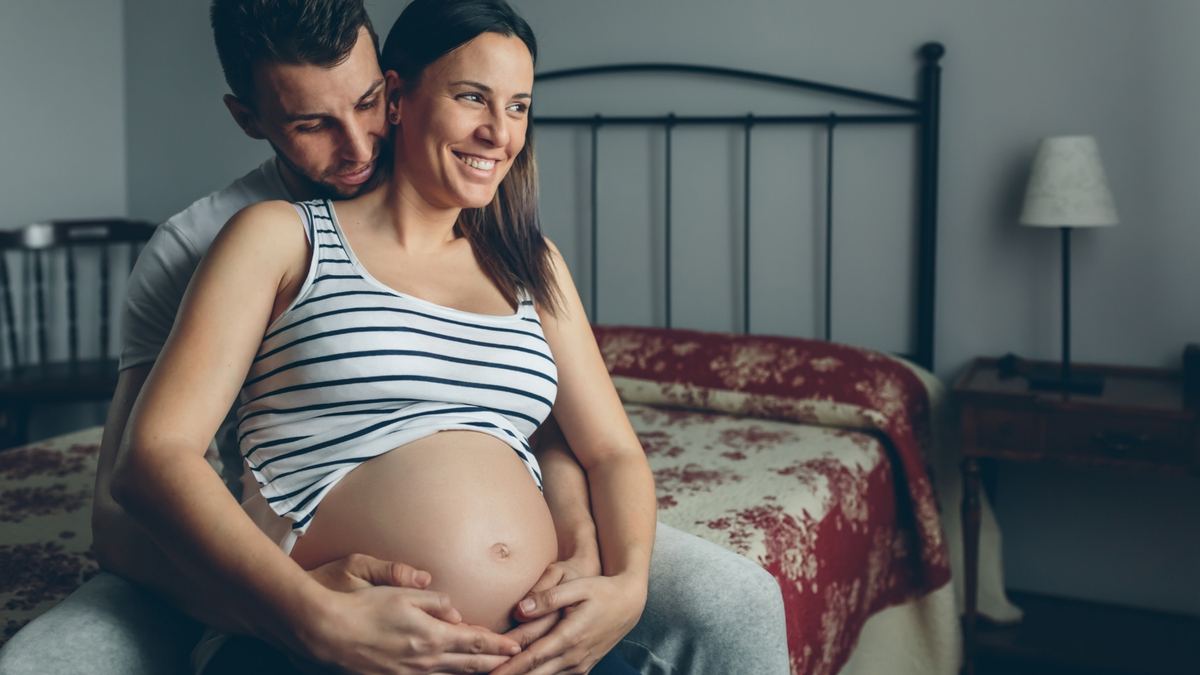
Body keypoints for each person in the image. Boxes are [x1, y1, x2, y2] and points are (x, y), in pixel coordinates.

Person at [0, 1, 790, 674]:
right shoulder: (244, 238)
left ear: (389, 87)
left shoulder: (521, 255)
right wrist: (300, 608)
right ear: (250, 118)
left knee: (737, 600)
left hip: (520, 628)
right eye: (312, 123)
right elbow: (137, 481)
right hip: (290, 585)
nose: (356, 146)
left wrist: (618, 576)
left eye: (517, 106)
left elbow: (582, 440)